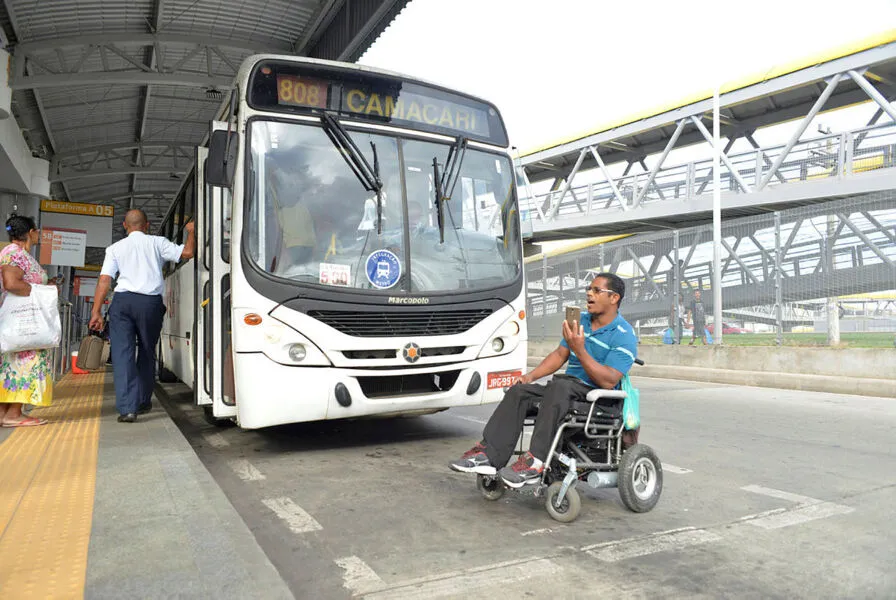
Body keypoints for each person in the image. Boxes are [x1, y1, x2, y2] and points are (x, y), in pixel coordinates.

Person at [450, 272, 638, 488]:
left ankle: (535, 462)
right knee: (520, 392)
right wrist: (530, 376)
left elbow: (608, 380)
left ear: (614, 298)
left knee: (561, 386)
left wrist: (580, 349)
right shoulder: (581, 321)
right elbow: (559, 355)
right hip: (565, 391)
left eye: (596, 290)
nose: (589, 293)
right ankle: (488, 455)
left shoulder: (624, 334)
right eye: (589, 289)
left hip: (596, 399)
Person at [89, 209, 195, 423]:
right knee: (147, 352)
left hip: (122, 302)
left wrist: (96, 311)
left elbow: (104, 280)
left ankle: (128, 409)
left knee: (122, 355)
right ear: (146, 226)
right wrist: (191, 232)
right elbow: (187, 253)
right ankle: (144, 401)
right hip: (149, 303)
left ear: (124, 226)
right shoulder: (157, 242)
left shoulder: (115, 248)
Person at [0, 215, 61, 427]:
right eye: (37, 232)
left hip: (16, 321)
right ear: (32, 232)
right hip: (22, 322)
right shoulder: (14, 254)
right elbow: (10, 283)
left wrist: (45, 286)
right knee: (27, 363)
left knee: (9, 365)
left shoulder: (17, 253)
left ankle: (4, 413)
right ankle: (14, 414)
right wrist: (39, 291)